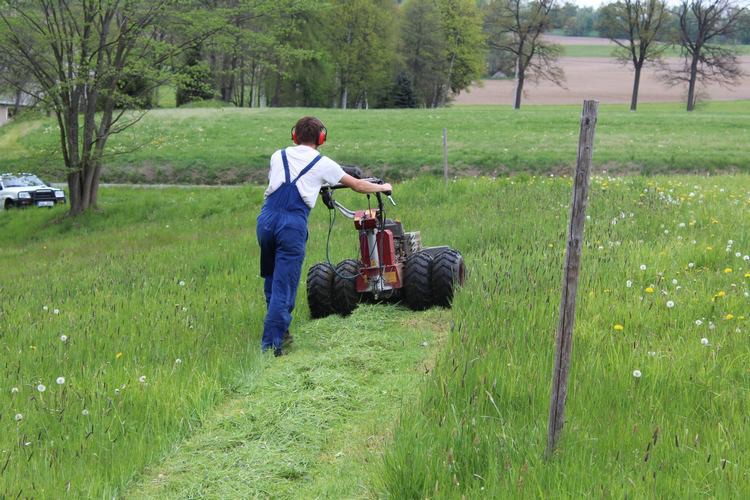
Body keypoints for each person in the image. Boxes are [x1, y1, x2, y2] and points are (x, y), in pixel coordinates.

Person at [257, 116, 392, 356]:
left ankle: (280, 332)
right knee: (284, 286)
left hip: (266, 220)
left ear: (295, 136)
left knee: (272, 278)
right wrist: (383, 188)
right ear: (321, 138)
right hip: (291, 224)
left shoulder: (278, 156)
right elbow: (358, 185)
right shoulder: (323, 163)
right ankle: (272, 347)